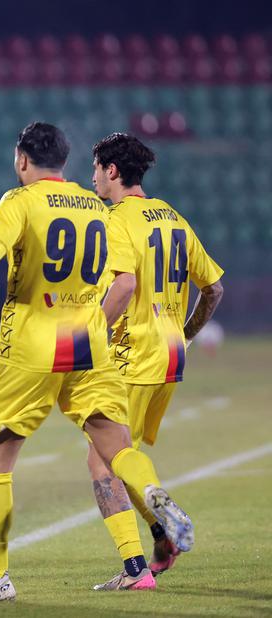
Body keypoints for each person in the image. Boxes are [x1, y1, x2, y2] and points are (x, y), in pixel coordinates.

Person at [0, 122, 193, 602]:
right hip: (89, 341)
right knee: (115, 445)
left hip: (32, 344)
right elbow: (120, 278)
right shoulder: (95, 206)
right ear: (63, 161)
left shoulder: (19, 201)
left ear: (22, 159)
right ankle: (154, 496)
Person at [89, 132, 224, 586]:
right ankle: (161, 534)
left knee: (102, 461)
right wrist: (185, 334)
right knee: (122, 455)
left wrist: (90, 337)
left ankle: (135, 569)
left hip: (133, 353)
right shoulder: (173, 217)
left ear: (112, 170)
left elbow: (124, 285)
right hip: (170, 355)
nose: (92, 178)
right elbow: (213, 289)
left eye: (96, 169)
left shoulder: (117, 219)